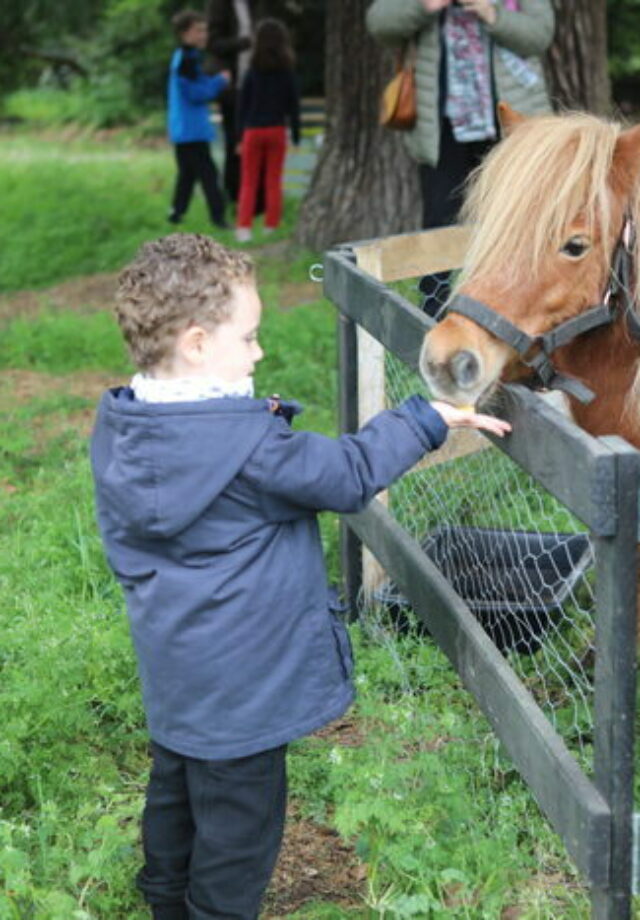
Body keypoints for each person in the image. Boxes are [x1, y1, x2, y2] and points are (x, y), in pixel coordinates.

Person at [90, 233, 511, 920]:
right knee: (238, 835)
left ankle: (164, 900)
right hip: (248, 691)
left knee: (177, 788)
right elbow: (346, 474)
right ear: (197, 344)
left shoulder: (123, 426)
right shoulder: (249, 447)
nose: (259, 352)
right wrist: (425, 418)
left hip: (175, 668)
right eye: (249, 336)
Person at [366, 0, 555, 313]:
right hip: (442, 131)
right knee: (439, 223)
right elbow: (380, 24)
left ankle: (514, 314)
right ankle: (431, 316)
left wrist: (490, 12)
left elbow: (540, 35)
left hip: (511, 127)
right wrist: (425, 6)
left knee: (516, 221)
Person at [235, 18, 300, 242]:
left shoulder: (251, 72)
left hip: (253, 131)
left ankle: (244, 227)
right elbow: (294, 106)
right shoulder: (287, 72)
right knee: (273, 180)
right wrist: (297, 135)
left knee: (249, 181)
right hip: (277, 130)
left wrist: (237, 136)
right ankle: (271, 225)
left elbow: (242, 106)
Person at [167, 10, 231, 228]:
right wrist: (220, 82)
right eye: (199, 30)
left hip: (183, 129)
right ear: (185, 34)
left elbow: (198, 84)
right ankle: (219, 219)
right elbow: (196, 93)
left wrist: (211, 81)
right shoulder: (186, 60)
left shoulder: (187, 58)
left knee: (187, 174)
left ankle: (176, 213)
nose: (204, 35)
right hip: (191, 129)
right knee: (208, 174)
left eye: (205, 30)